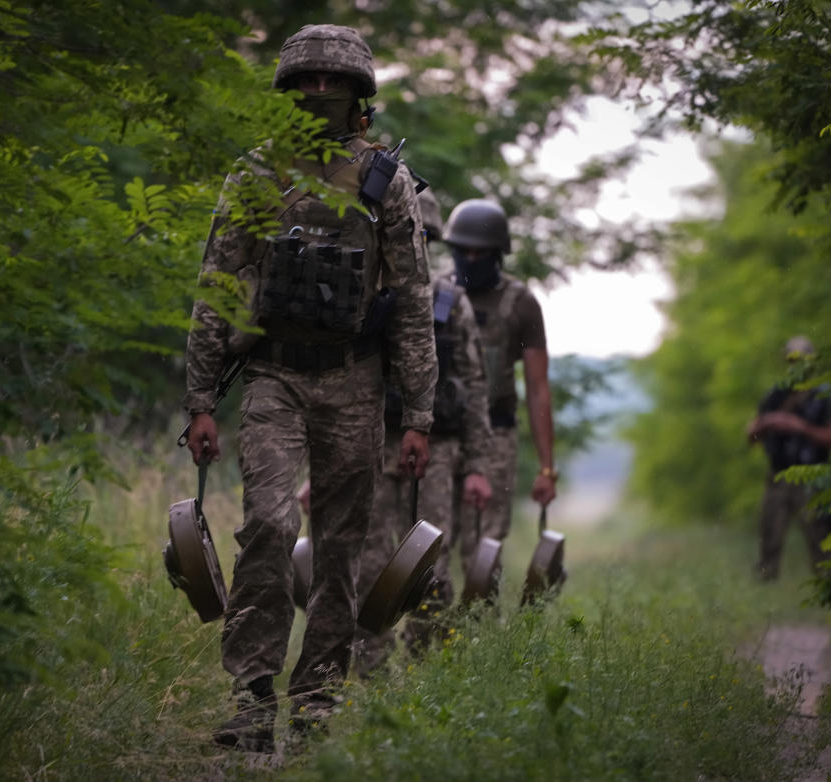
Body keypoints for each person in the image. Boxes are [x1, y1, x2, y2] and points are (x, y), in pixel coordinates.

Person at [183, 24, 436, 753]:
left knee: (342, 547)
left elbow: (414, 303)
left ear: (359, 92)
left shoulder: (387, 182)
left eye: (335, 80)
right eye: (308, 79)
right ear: (289, 89)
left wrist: (416, 413)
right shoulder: (257, 173)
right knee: (266, 522)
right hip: (273, 376)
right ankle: (253, 695)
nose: (321, 91)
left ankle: (319, 698)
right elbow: (218, 286)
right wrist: (200, 399)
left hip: (355, 382)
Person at [352, 188, 493, 673]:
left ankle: (425, 671)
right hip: (373, 441)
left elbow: (474, 388)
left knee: (430, 563)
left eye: (423, 235)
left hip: (437, 451)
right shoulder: (365, 293)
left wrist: (476, 466)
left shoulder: (452, 303)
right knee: (367, 560)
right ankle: (367, 671)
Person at [441, 199, 559, 575]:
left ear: (497, 254)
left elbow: (538, 388)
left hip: (496, 434)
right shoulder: (436, 294)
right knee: (432, 541)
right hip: (441, 432)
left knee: (485, 547)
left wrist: (546, 468)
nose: (471, 259)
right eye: (463, 251)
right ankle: (428, 632)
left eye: (480, 252)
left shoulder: (520, 303)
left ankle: (478, 630)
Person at [746, 336, 831, 580]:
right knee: (769, 535)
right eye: (793, 359)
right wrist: (766, 424)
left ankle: (828, 586)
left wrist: (799, 426)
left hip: (813, 477)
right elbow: (751, 437)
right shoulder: (775, 395)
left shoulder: (824, 396)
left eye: (802, 359)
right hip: (778, 476)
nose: (797, 364)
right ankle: (765, 586)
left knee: (821, 536)